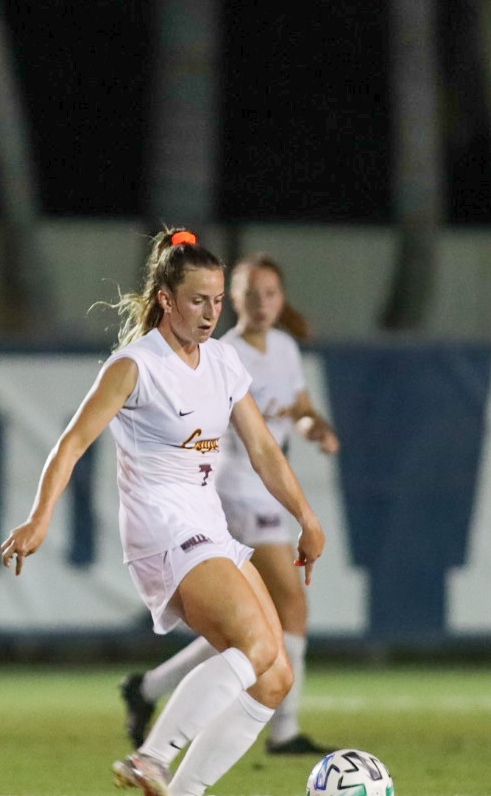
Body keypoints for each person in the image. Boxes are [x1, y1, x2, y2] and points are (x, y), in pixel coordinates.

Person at [0, 229, 325, 796]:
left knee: (275, 674)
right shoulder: (135, 365)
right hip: (161, 528)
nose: (210, 313)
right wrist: (39, 517)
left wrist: (305, 516)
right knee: (254, 648)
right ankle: (150, 757)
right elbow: (72, 444)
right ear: (167, 300)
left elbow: (264, 451)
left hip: (207, 524)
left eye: (218, 300)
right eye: (198, 300)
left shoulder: (223, 361)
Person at [119, 252, 341, 755]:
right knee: (288, 610)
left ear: (282, 300)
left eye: (270, 293)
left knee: (254, 627)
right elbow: (252, 441)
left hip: (263, 492)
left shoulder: (283, 348)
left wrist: (316, 427)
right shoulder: (221, 350)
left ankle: (149, 688)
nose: (260, 303)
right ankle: (281, 729)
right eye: (249, 293)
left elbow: (298, 411)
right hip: (234, 493)